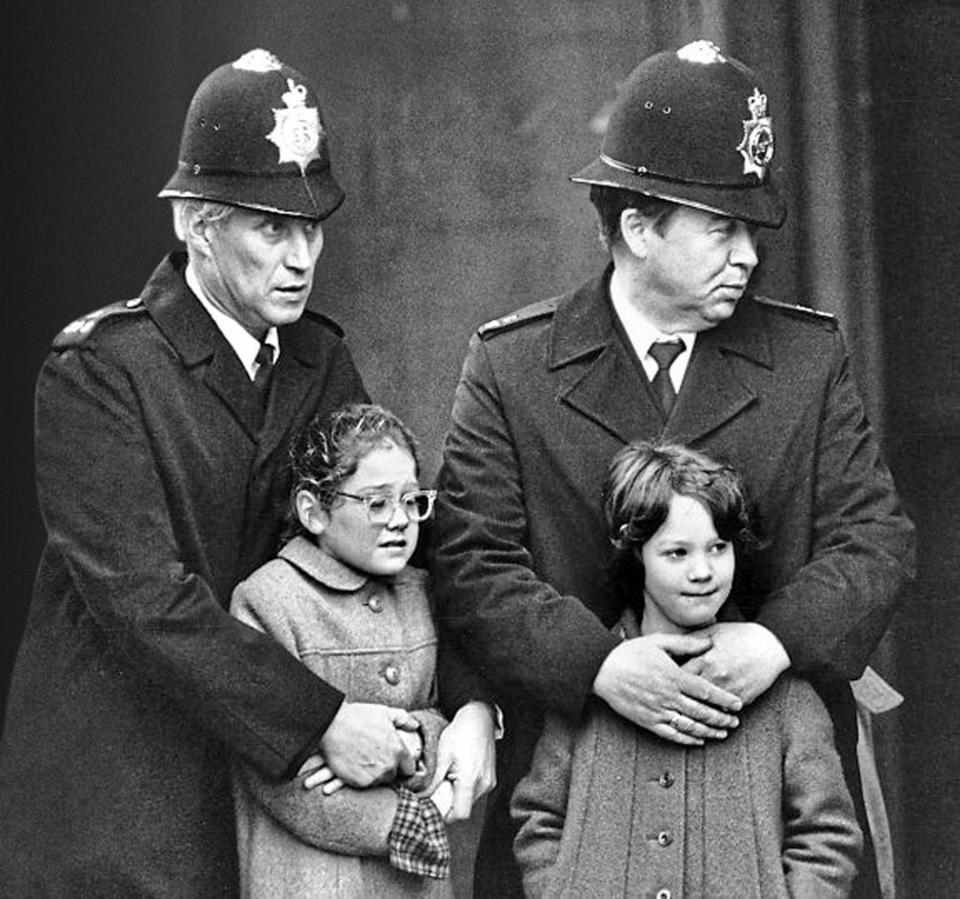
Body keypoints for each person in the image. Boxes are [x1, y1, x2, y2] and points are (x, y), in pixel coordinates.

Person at [0, 49, 494, 897]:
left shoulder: (315, 359)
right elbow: (149, 603)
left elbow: (407, 527)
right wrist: (323, 719)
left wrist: (478, 704)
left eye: (313, 226)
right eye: (272, 227)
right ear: (197, 225)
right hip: (123, 810)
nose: (302, 255)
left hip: (269, 810)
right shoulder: (101, 370)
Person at [429, 39, 914, 897]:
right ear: (638, 226)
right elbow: (472, 563)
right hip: (581, 798)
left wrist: (772, 642)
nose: (749, 257)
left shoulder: (807, 357)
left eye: (751, 231)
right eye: (721, 229)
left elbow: (875, 542)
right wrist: (600, 665)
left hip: (776, 806)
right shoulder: (511, 368)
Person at [511, 441, 863, 897]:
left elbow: (827, 834)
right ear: (636, 552)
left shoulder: (785, 695)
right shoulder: (591, 683)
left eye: (718, 547)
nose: (703, 571)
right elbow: (539, 817)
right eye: (677, 553)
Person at [230, 403, 468, 897]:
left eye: (411, 501)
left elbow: (447, 715)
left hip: (414, 886)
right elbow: (277, 770)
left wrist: (412, 744)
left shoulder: (423, 591)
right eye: (377, 503)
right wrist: (405, 816)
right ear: (314, 511)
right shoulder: (268, 600)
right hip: (312, 880)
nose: (400, 520)